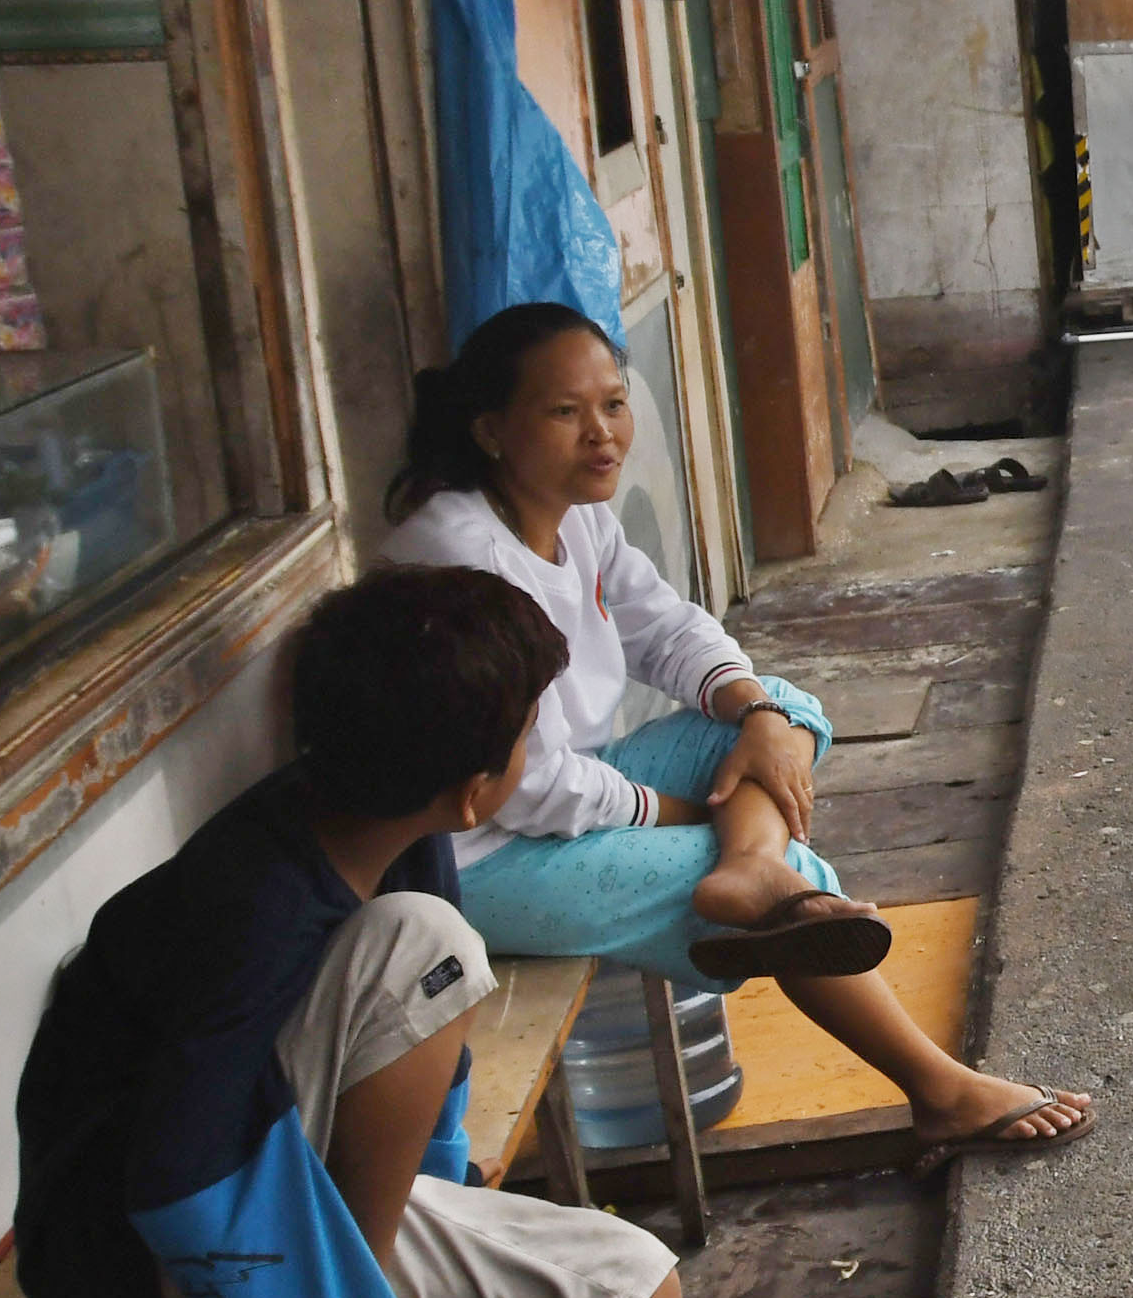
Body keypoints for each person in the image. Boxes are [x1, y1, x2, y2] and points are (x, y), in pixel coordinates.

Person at [14, 565, 833, 1298]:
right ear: (473, 786)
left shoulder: (347, 825)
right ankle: (384, 1283)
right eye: (529, 735)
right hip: (157, 1270)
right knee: (431, 947)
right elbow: (174, 1183)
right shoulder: (259, 900)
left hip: (248, 1197)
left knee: (631, 1284)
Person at [383, 302, 1089, 1161]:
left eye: (613, 402)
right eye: (565, 412)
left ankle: (750, 864)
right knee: (787, 888)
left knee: (785, 706)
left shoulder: (574, 511)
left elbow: (667, 628)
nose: (602, 434)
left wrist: (752, 708)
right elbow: (514, 782)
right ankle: (939, 1087)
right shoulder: (459, 555)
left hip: (564, 784)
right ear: (492, 429)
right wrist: (677, 813)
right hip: (474, 854)